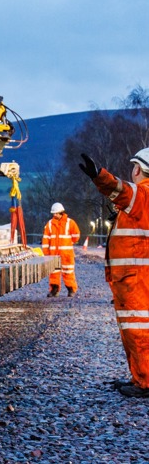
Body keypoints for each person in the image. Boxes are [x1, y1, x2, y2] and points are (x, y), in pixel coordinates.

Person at [80, 148, 149, 398]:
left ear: (139, 169)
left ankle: (145, 382)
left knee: (137, 329)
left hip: (136, 278)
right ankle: (139, 376)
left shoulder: (143, 193)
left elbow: (119, 189)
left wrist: (98, 175)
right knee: (133, 328)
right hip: (134, 277)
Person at [41, 202, 81, 297]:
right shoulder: (49, 224)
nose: (54, 215)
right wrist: (46, 253)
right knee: (53, 272)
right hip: (54, 254)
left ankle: (71, 289)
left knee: (68, 272)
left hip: (66, 254)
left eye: (56, 213)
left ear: (61, 212)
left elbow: (76, 236)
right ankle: (54, 290)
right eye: (53, 213)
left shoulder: (70, 222)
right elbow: (46, 239)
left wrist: (68, 243)